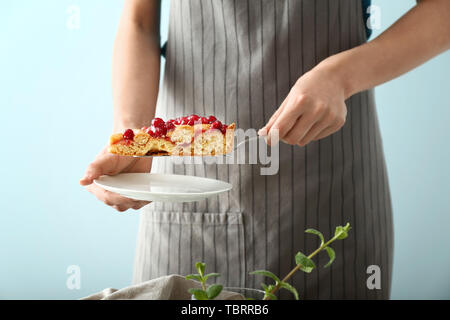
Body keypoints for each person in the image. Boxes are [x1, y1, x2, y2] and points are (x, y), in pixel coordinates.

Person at [80, 0, 450, 299]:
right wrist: (134, 139)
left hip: (330, 187)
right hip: (186, 190)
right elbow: (139, 22)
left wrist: (342, 75)